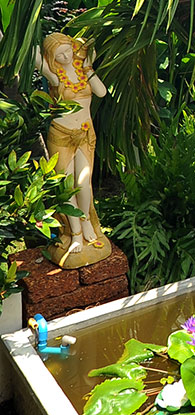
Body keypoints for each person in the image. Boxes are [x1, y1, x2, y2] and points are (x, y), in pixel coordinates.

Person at [35, 32, 112, 268]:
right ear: (52, 58)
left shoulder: (82, 69)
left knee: (84, 183)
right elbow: (33, 56)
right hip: (62, 136)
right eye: (60, 54)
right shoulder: (54, 76)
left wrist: (88, 67)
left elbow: (102, 92)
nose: (66, 55)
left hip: (86, 134)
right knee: (67, 187)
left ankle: (87, 221)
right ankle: (76, 232)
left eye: (68, 49)